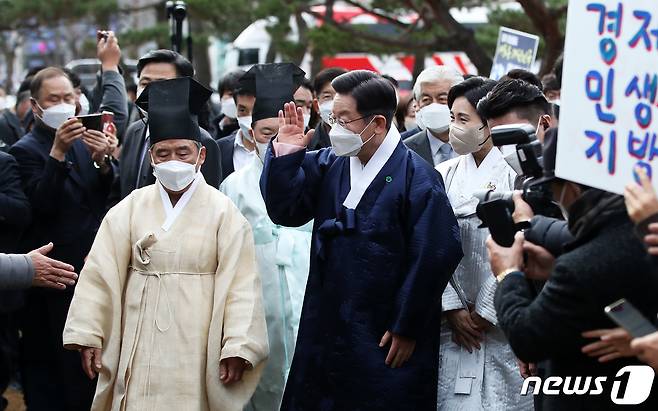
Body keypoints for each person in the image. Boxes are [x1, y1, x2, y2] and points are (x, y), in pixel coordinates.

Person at [260, 70, 463, 410]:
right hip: (327, 320)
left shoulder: (419, 177)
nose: (333, 128)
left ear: (378, 123)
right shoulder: (330, 163)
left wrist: (406, 325)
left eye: (344, 119)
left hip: (383, 330)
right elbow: (286, 211)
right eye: (332, 118)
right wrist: (287, 154)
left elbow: (435, 252)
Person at [63, 77, 269, 411]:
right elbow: (100, 273)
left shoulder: (224, 212)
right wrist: (90, 333)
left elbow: (242, 283)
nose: (173, 160)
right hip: (138, 328)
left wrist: (237, 345)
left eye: (182, 152)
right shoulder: (128, 209)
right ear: (152, 159)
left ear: (201, 155)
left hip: (199, 334)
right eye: (163, 153)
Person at [486, 129, 658, 410]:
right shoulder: (631, 238)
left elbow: (527, 338)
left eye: (554, 192)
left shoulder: (590, 259)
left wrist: (508, 274)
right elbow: (617, 303)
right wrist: (643, 335)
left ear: (572, 189)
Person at [8, 66, 115, 411]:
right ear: (36, 107)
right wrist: (56, 154)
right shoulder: (25, 150)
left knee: (88, 368)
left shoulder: (84, 144)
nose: (63, 105)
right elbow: (39, 208)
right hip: (49, 276)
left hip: (88, 271)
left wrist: (102, 162)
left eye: (68, 97)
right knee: (51, 371)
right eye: (53, 99)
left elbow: (99, 201)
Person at [436, 77, 532, 410]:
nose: (453, 127)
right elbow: (428, 244)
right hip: (452, 317)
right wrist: (451, 308)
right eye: (452, 118)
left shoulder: (515, 175)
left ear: (487, 124)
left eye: (463, 119)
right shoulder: (441, 173)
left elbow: (522, 240)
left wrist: (489, 309)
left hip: (501, 316)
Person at [220, 63, 312, 411]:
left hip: (307, 295)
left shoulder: (317, 172)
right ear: (251, 133)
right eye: (264, 133)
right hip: (259, 304)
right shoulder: (234, 186)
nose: (272, 142)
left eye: (280, 132)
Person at [117, 49, 222, 199]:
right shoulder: (133, 132)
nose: (150, 91)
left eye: (161, 84)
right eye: (145, 83)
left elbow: (208, 202)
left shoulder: (201, 140)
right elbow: (120, 189)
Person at [404, 66, 463, 167]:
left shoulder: (477, 145)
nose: (434, 105)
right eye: (427, 100)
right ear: (417, 104)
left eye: (442, 99)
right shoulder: (404, 150)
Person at [217, 81, 257, 178]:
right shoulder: (219, 149)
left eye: (256, 110)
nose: (249, 116)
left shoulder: (278, 149)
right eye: (242, 110)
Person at [307, 67, 347, 150]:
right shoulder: (307, 144)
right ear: (316, 106)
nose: (334, 104)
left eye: (341, 95)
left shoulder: (366, 138)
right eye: (327, 97)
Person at [214, 69, 245, 139]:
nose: (235, 99)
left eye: (240, 94)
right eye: (231, 94)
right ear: (221, 97)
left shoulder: (254, 129)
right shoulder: (212, 128)